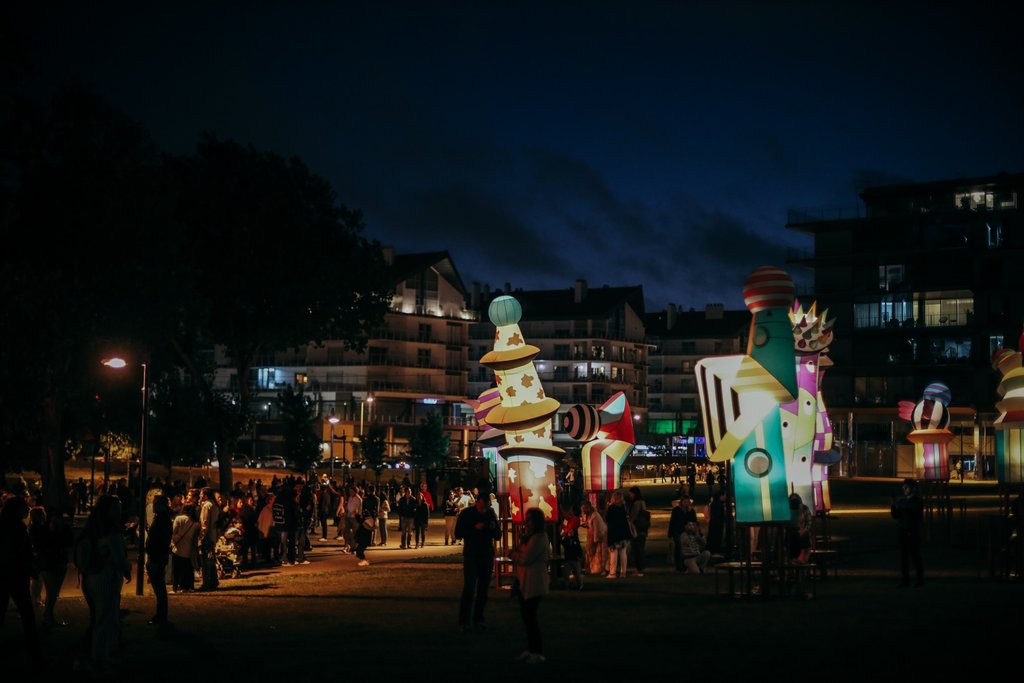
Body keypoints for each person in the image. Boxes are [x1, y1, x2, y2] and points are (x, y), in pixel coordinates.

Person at [81, 495, 132, 669]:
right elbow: (118, 556)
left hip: (92, 576)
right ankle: (103, 654)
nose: (119, 511)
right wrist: (127, 569)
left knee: (100, 616)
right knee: (107, 617)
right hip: (107, 576)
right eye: (116, 508)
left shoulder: (94, 528)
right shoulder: (111, 531)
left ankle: (99, 652)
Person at [454, 486, 500, 631]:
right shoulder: (467, 514)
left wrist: (492, 528)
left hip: (486, 555)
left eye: (486, 507)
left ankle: (478, 619)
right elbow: (458, 533)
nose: (484, 509)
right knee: (469, 588)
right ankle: (464, 621)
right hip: (472, 555)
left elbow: (498, 535)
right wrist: (474, 528)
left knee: (483, 589)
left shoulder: (490, 514)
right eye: (483, 506)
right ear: (478, 502)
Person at [0, 496, 40, 664]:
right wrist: (31, 567)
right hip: (16, 575)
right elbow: (22, 553)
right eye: (25, 507)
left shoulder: (4, 525)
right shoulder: (18, 528)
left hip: (4, 575)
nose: (28, 509)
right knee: (27, 613)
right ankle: (34, 651)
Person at [512, 507, 549, 663]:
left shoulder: (539, 538)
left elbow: (526, 558)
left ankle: (537, 652)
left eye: (529, 520)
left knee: (531, 618)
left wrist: (514, 555)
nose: (526, 523)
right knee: (527, 618)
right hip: (525, 581)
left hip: (533, 582)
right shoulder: (531, 537)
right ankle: (531, 648)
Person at [891, 478, 924, 587]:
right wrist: (893, 506)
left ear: (913, 489)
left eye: (906, 487)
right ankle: (905, 580)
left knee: (915, 556)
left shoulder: (917, 502)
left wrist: (901, 509)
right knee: (904, 558)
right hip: (903, 531)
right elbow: (896, 515)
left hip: (913, 532)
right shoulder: (903, 501)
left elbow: (913, 514)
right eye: (903, 487)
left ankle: (919, 580)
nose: (904, 489)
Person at [146, 494, 173, 624]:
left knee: (159, 587)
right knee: (159, 588)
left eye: (156, 503)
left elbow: (159, 540)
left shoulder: (162, 520)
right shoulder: (162, 518)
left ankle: (161, 616)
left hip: (157, 557)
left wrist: (152, 554)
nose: (154, 506)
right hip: (157, 556)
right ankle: (161, 615)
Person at [171, 504, 199, 592]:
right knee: (188, 569)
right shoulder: (196, 523)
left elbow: (173, 532)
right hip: (189, 549)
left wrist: (175, 541)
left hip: (177, 548)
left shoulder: (179, 519)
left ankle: (175, 587)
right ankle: (188, 587)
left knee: (176, 570)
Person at [605, 491, 631, 579]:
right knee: (623, 553)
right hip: (623, 533)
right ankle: (623, 572)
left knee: (613, 553)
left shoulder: (612, 508)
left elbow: (608, 519)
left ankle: (612, 573)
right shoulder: (623, 507)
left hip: (614, 533)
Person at [198, 487, 219, 590]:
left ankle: (207, 583)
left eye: (201, 494)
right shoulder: (214, 505)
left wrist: (201, 537)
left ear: (205, 495)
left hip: (207, 536)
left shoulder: (207, 506)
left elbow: (204, 523)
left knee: (206, 560)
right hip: (213, 535)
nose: (200, 496)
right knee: (210, 559)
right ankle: (214, 580)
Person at [580, 500, 607, 576]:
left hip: (600, 534)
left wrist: (595, 539)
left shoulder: (595, 515)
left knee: (601, 552)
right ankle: (590, 569)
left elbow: (597, 528)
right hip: (591, 533)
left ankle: (601, 569)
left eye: (585, 509)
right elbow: (587, 522)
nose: (584, 511)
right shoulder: (587, 514)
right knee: (589, 551)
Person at [627, 486, 649, 576]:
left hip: (637, 528)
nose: (630, 496)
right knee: (641, 548)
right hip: (643, 528)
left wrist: (629, 522)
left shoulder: (636, 503)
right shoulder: (643, 502)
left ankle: (638, 569)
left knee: (637, 549)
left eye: (631, 494)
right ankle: (641, 568)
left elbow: (633, 516)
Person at [559, 503, 582, 589]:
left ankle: (577, 583)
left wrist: (564, 532)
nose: (569, 511)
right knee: (571, 569)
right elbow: (566, 518)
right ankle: (574, 584)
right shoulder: (572, 519)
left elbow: (570, 527)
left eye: (571, 509)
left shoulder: (575, 519)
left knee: (574, 570)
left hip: (571, 543)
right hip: (570, 543)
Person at [788, 493, 813, 564]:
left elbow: (809, 522)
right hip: (791, 532)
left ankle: (801, 557)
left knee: (804, 536)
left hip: (802, 531)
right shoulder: (788, 510)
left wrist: (804, 530)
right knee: (790, 536)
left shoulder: (804, 509)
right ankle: (793, 558)